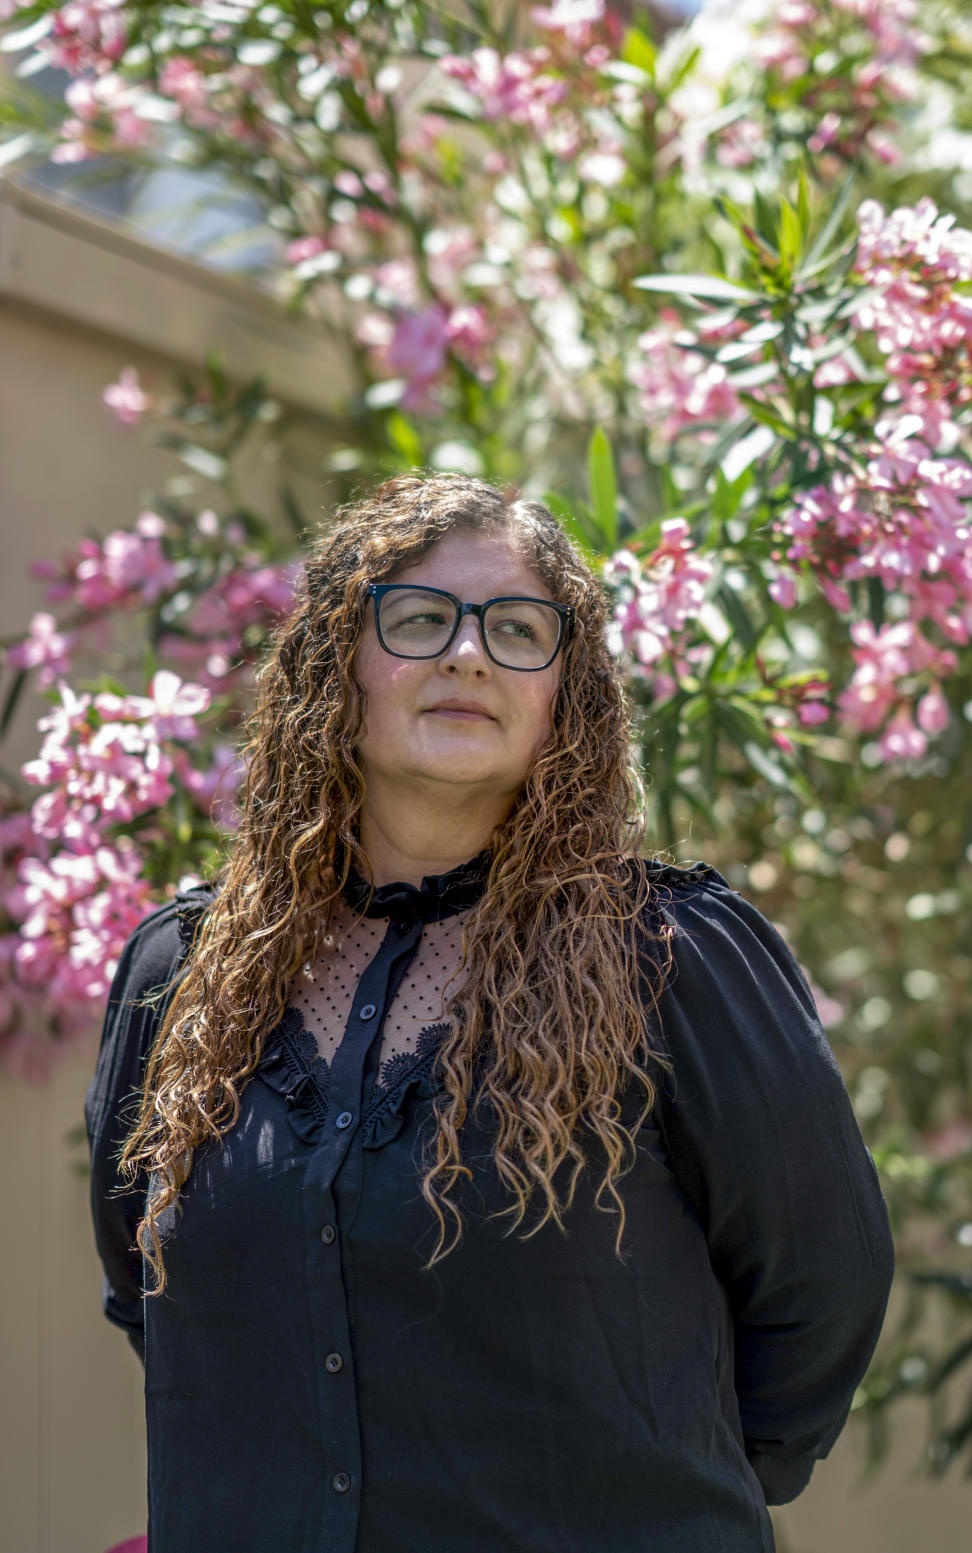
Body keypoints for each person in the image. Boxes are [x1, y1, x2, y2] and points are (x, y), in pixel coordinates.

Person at [86, 471, 895, 1553]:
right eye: (420, 619)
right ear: (337, 661)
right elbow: (159, 1301)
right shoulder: (181, 975)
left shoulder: (671, 957)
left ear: (564, 690)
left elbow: (820, 1290)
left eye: (518, 627)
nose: (468, 653)